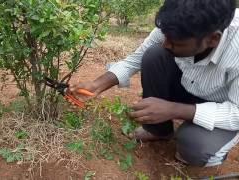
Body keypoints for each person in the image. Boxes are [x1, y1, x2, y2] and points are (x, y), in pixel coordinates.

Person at [70, 0, 239, 167]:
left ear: (213, 39)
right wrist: (97, 85)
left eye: (176, 43)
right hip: (187, 86)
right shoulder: (176, 24)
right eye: (165, 36)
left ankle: (206, 140)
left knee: (195, 148)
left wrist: (175, 109)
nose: (166, 43)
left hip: (223, 105)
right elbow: (135, 59)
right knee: (154, 55)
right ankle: (159, 130)